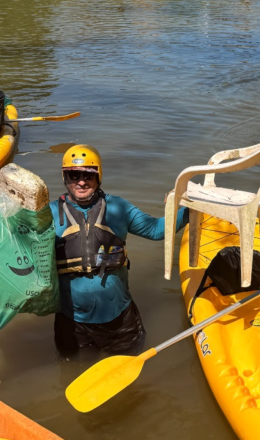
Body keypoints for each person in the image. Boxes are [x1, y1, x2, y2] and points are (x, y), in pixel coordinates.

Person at [51, 144, 188, 356]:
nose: (80, 181)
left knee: (126, 373)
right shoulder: (47, 214)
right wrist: (3, 203)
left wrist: (190, 209)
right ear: (64, 177)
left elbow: (156, 230)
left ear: (99, 177)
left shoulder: (118, 208)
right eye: (73, 174)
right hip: (72, 323)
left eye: (88, 175)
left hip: (120, 320)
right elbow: (13, 240)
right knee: (73, 376)